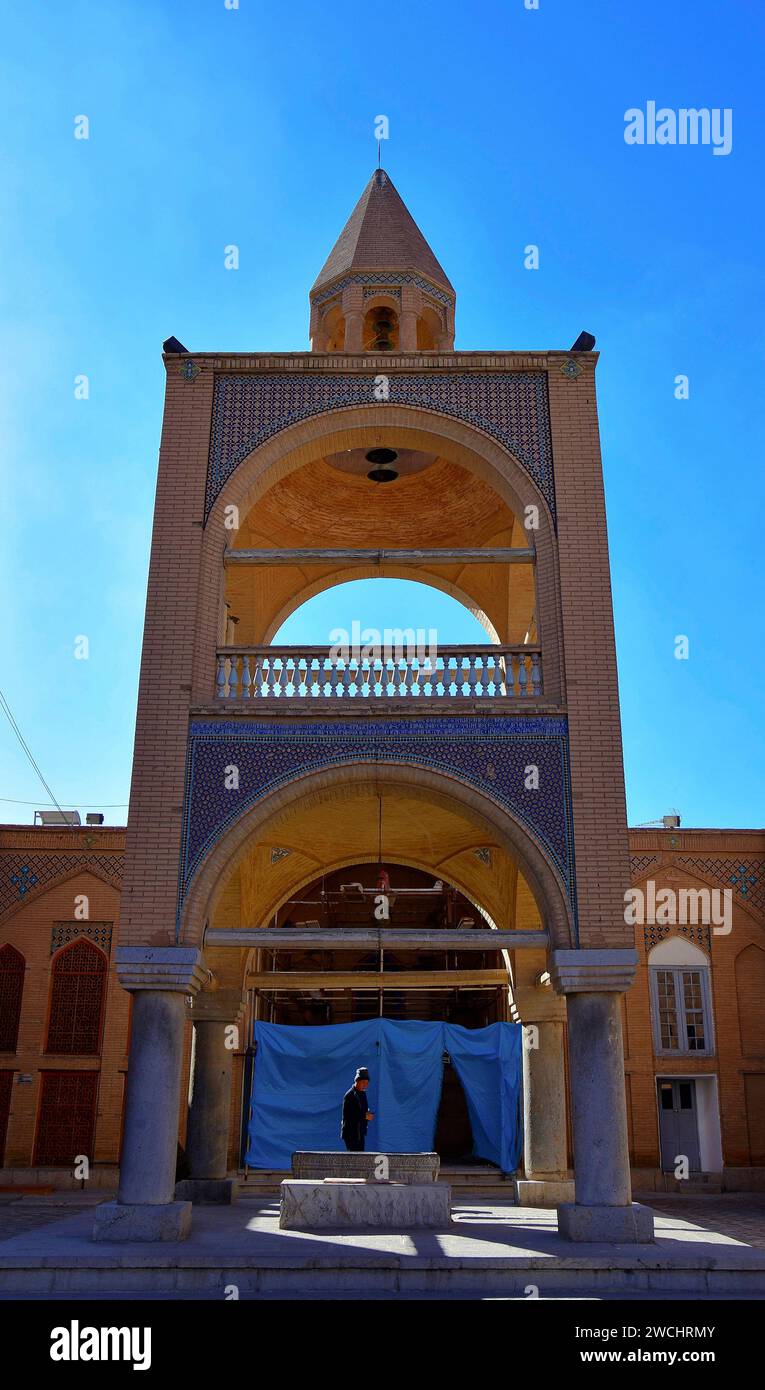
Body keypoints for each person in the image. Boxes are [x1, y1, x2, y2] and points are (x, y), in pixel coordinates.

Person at [341, 1066, 375, 1152]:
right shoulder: (349, 1096)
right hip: (351, 1134)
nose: (365, 1085)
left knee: (360, 1158)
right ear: (357, 1081)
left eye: (367, 1083)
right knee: (352, 1160)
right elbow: (348, 1117)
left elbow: (363, 1110)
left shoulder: (362, 1094)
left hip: (360, 1133)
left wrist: (368, 1115)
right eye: (363, 1082)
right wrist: (364, 1116)